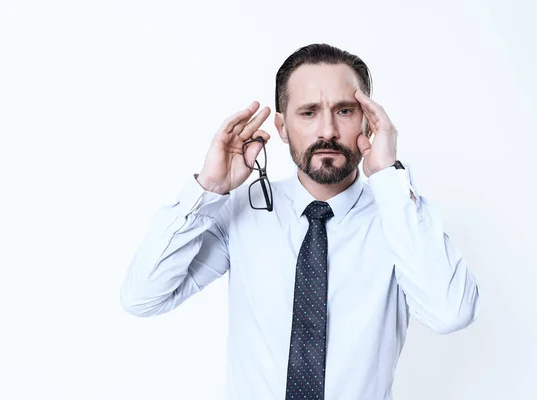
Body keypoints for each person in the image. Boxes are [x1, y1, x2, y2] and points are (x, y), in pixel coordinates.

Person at [120, 43, 481, 400]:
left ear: (369, 122)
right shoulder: (239, 211)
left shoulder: (399, 217)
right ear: (281, 127)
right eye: (308, 112)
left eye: (344, 111)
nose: (327, 131)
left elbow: (451, 313)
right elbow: (143, 297)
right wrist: (209, 188)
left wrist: (388, 176)